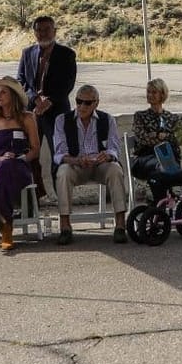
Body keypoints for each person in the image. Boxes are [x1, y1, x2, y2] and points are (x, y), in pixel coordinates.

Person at [54, 83, 129, 244]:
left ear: (96, 103)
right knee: (63, 172)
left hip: (100, 165)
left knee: (115, 169)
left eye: (87, 103)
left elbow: (114, 148)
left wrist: (107, 156)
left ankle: (120, 225)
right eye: (79, 101)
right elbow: (59, 153)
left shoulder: (107, 119)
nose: (82, 106)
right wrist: (76, 160)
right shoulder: (62, 120)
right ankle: (65, 227)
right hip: (77, 165)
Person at [0, 76, 39, 254]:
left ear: (13, 96)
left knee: (7, 168)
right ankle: (6, 231)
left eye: (3, 92)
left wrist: (20, 158)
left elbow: (35, 150)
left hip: (19, 168)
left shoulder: (27, 118)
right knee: (2, 169)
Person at [18, 16, 76, 194]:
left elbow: (68, 84)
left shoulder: (67, 54)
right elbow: (21, 81)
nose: (43, 33)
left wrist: (49, 101)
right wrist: (35, 98)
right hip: (32, 113)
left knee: (58, 157)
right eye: (39, 30)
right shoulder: (27, 53)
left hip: (56, 113)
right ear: (34, 33)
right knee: (28, 156)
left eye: (47, 29)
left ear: (55, 31)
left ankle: (62, 203)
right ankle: (32, 202)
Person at [130, 77, 182, 197]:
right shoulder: (140, 116)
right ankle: (161, 202)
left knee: (163, 168)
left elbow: (179, 139)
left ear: (162, 94)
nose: (150, 95)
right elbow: (143, 138)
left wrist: (159, 136)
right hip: (145, 159)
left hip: (169, 158)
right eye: (148, 92)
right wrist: (163, 136)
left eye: (153, 92)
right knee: (159, 167)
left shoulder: (172, 118)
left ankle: (160, 203)